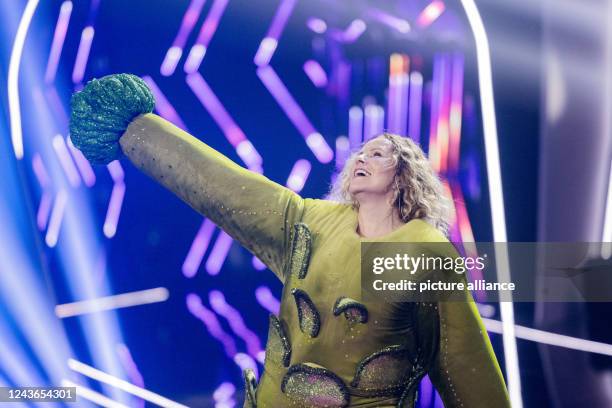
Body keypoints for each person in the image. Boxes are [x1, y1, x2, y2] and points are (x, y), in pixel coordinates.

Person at [70, 73, 511, 407]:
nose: (362, 156)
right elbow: (220, 185)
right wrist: (133, 128)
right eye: (360, 151)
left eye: (378, 153)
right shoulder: (310, 222)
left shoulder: (424, 252)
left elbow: (464, 368)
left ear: (405, 177)